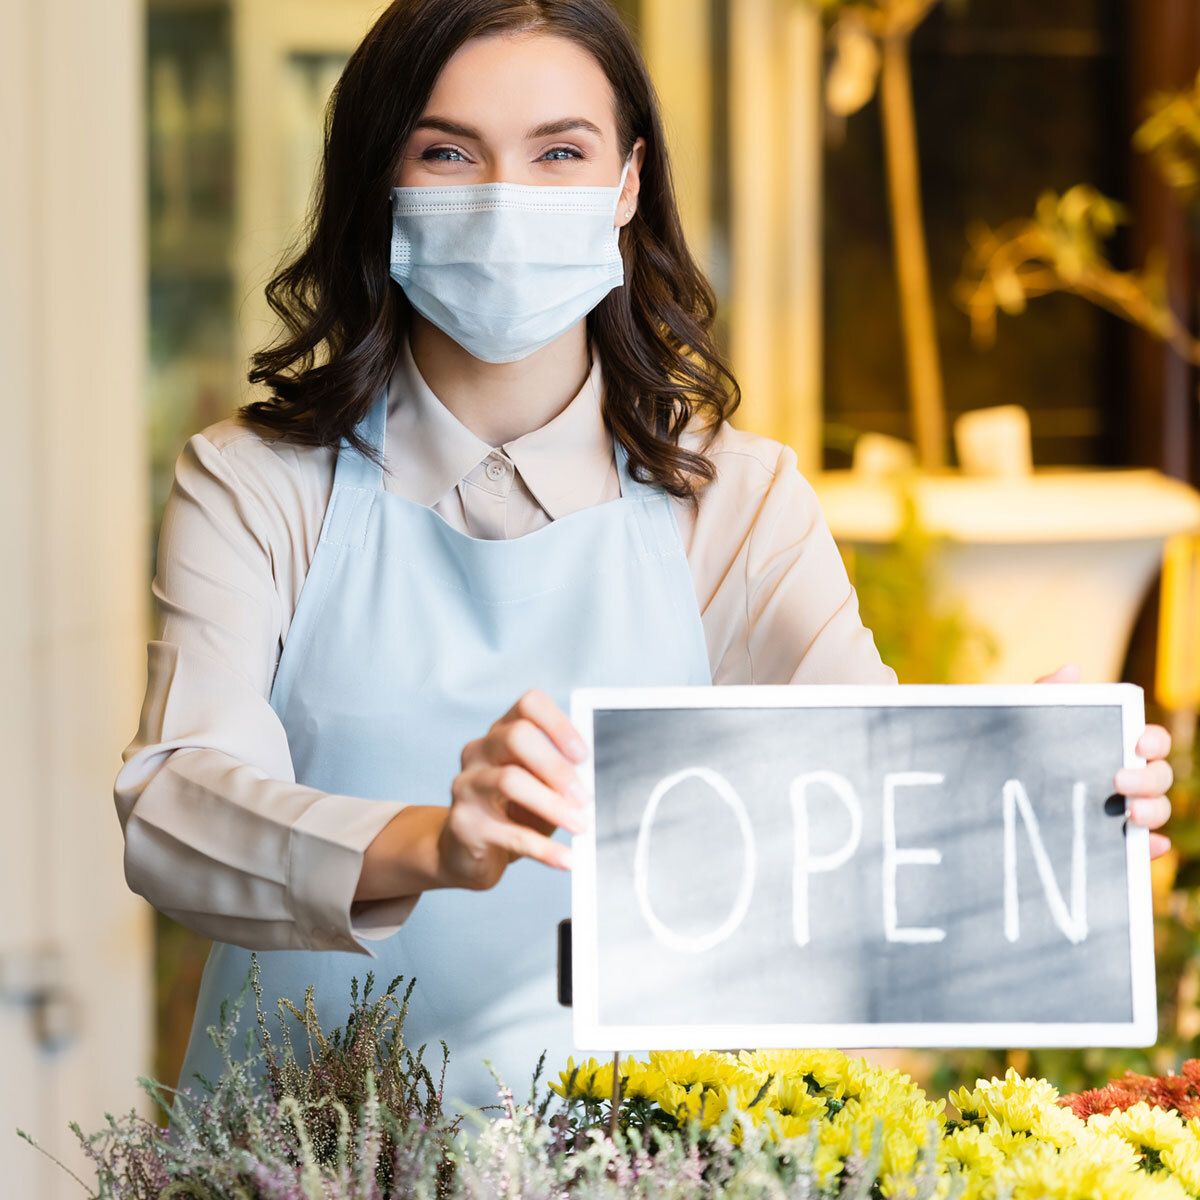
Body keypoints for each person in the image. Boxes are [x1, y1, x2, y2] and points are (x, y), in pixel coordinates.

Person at [114, 0, 1175, 1114]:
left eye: (559, 152)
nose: (505, 198)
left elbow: (864, 833)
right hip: (291, 1156)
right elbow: (173, 806)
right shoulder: (253, 482)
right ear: (381, 180)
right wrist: (435, 842)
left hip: (629, 1162)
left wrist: (1048, 811)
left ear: (627, 185)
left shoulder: (739, 500)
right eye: (447, 151)